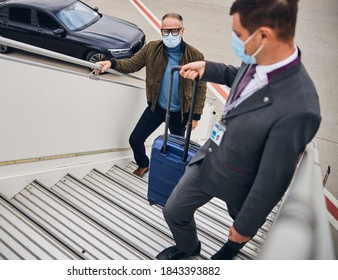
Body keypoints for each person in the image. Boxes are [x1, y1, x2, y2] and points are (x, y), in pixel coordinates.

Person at [156, 0, 321, 260]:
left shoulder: (300, 108)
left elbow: (273, 178)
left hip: (242, 183)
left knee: (237, 231)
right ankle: (189, 247)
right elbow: (239, 75)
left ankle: (228, 253)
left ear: (264, 35)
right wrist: (207, 68)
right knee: (173, 211)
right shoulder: (259, 56)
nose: (234, 39)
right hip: (209, 161)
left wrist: (245, 227)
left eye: (238, 34)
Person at [95, 13, 207, 178]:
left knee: (176, 149)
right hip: (156, 108)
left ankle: (171, 175)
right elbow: (132, 64)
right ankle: (143, 164)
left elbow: (201, 88)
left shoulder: (195, 56)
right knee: (135, 139)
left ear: (182, 31)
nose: (170, 35)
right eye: (166, 31)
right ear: (161, 31)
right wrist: (111, 62)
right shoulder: (152, 49)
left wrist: (196, 115)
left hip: (180, 114)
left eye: (174, 31)